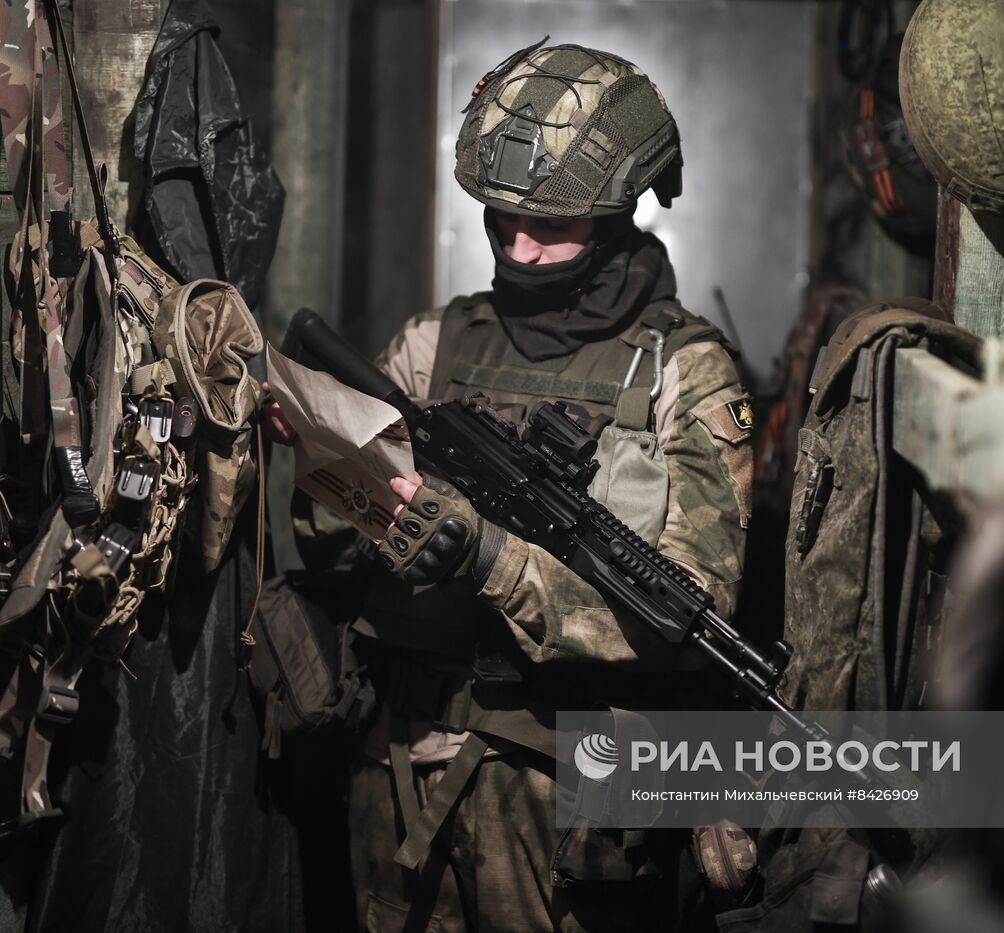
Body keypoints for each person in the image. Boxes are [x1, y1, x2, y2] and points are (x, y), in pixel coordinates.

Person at [268, 41, 753, 932]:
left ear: (618, 212)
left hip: (571, 799)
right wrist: (367, 505)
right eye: (501, 219)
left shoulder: (685, 373)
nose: (520, 247)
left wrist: (490, 556)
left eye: (552, 224)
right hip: (403, 764)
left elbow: (691, 607)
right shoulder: (432, 345)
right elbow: (325, 530)